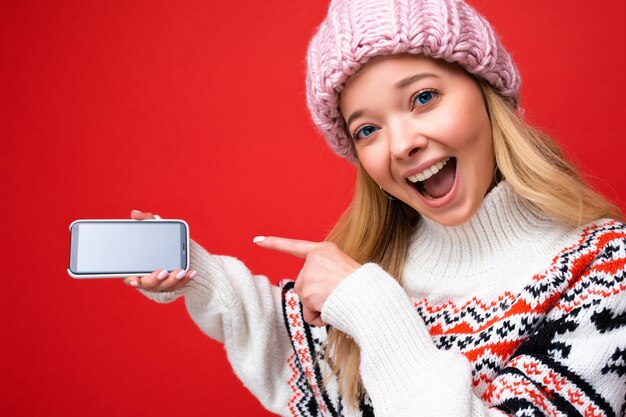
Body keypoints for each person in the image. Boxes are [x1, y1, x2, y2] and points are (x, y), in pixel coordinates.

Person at [123, 0, 626, 415]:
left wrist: (374, 310)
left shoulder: (604, 267)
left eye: (424, 97)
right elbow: (302, 360)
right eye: (367, 129)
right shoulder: (380, 269)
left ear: (487, 92)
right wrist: (201, 276)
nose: (401, 144)